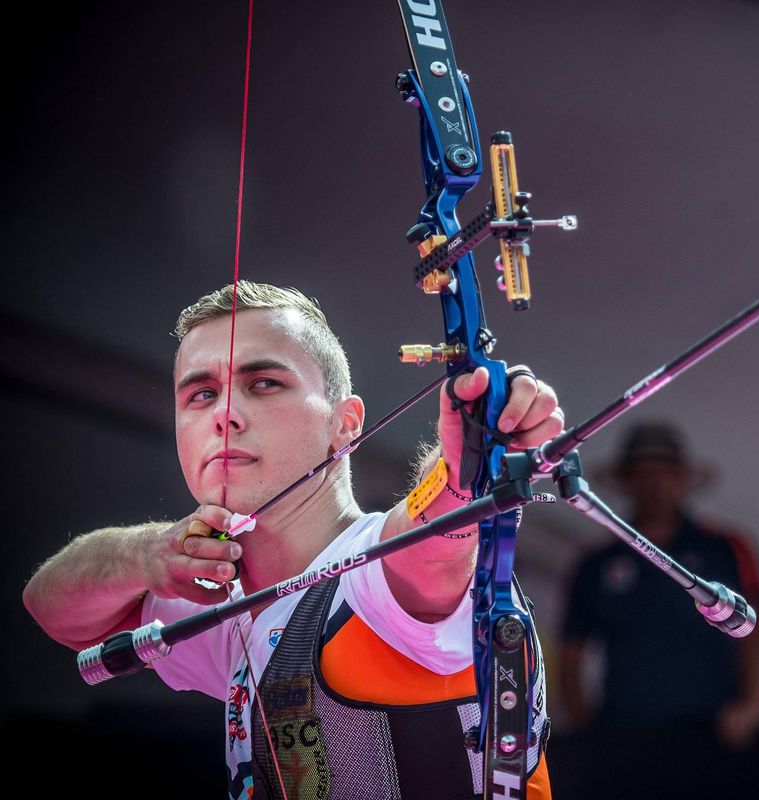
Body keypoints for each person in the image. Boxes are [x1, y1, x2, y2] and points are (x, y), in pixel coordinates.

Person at [22, 281, 563, 800]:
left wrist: (463, 468)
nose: (223, 415)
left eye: (264, 384)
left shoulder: (375, 579)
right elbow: (51, 608)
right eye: (201, 394)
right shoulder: (221, 601)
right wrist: (144, 555)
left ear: (344, 423)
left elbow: (435, 539)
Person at [557, 422, 759, 798]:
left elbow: (756, 632)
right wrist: (588, 727)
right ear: (627, 481)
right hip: (625, 734)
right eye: (643, 473)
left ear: (682, 479)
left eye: (665, 472)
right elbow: (570, 654)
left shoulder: (726, 548)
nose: (654, 484)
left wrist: (752, 706)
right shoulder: (595, 564)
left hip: (713, 730)